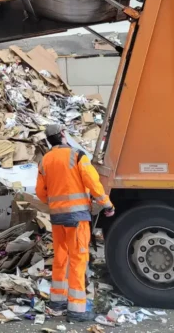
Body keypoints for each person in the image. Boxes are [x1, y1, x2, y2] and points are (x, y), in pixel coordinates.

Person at [35, 124, 114, 322]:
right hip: (77, 218)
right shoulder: (77, 155)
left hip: (57, 218)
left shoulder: (45, 160)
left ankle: (57, 302)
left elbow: (40, 192)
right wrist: (106, 204)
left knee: (60, 257)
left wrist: (55, 202)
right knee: (78, 259)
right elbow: (93, 182)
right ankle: (77, 309)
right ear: (63, 135)